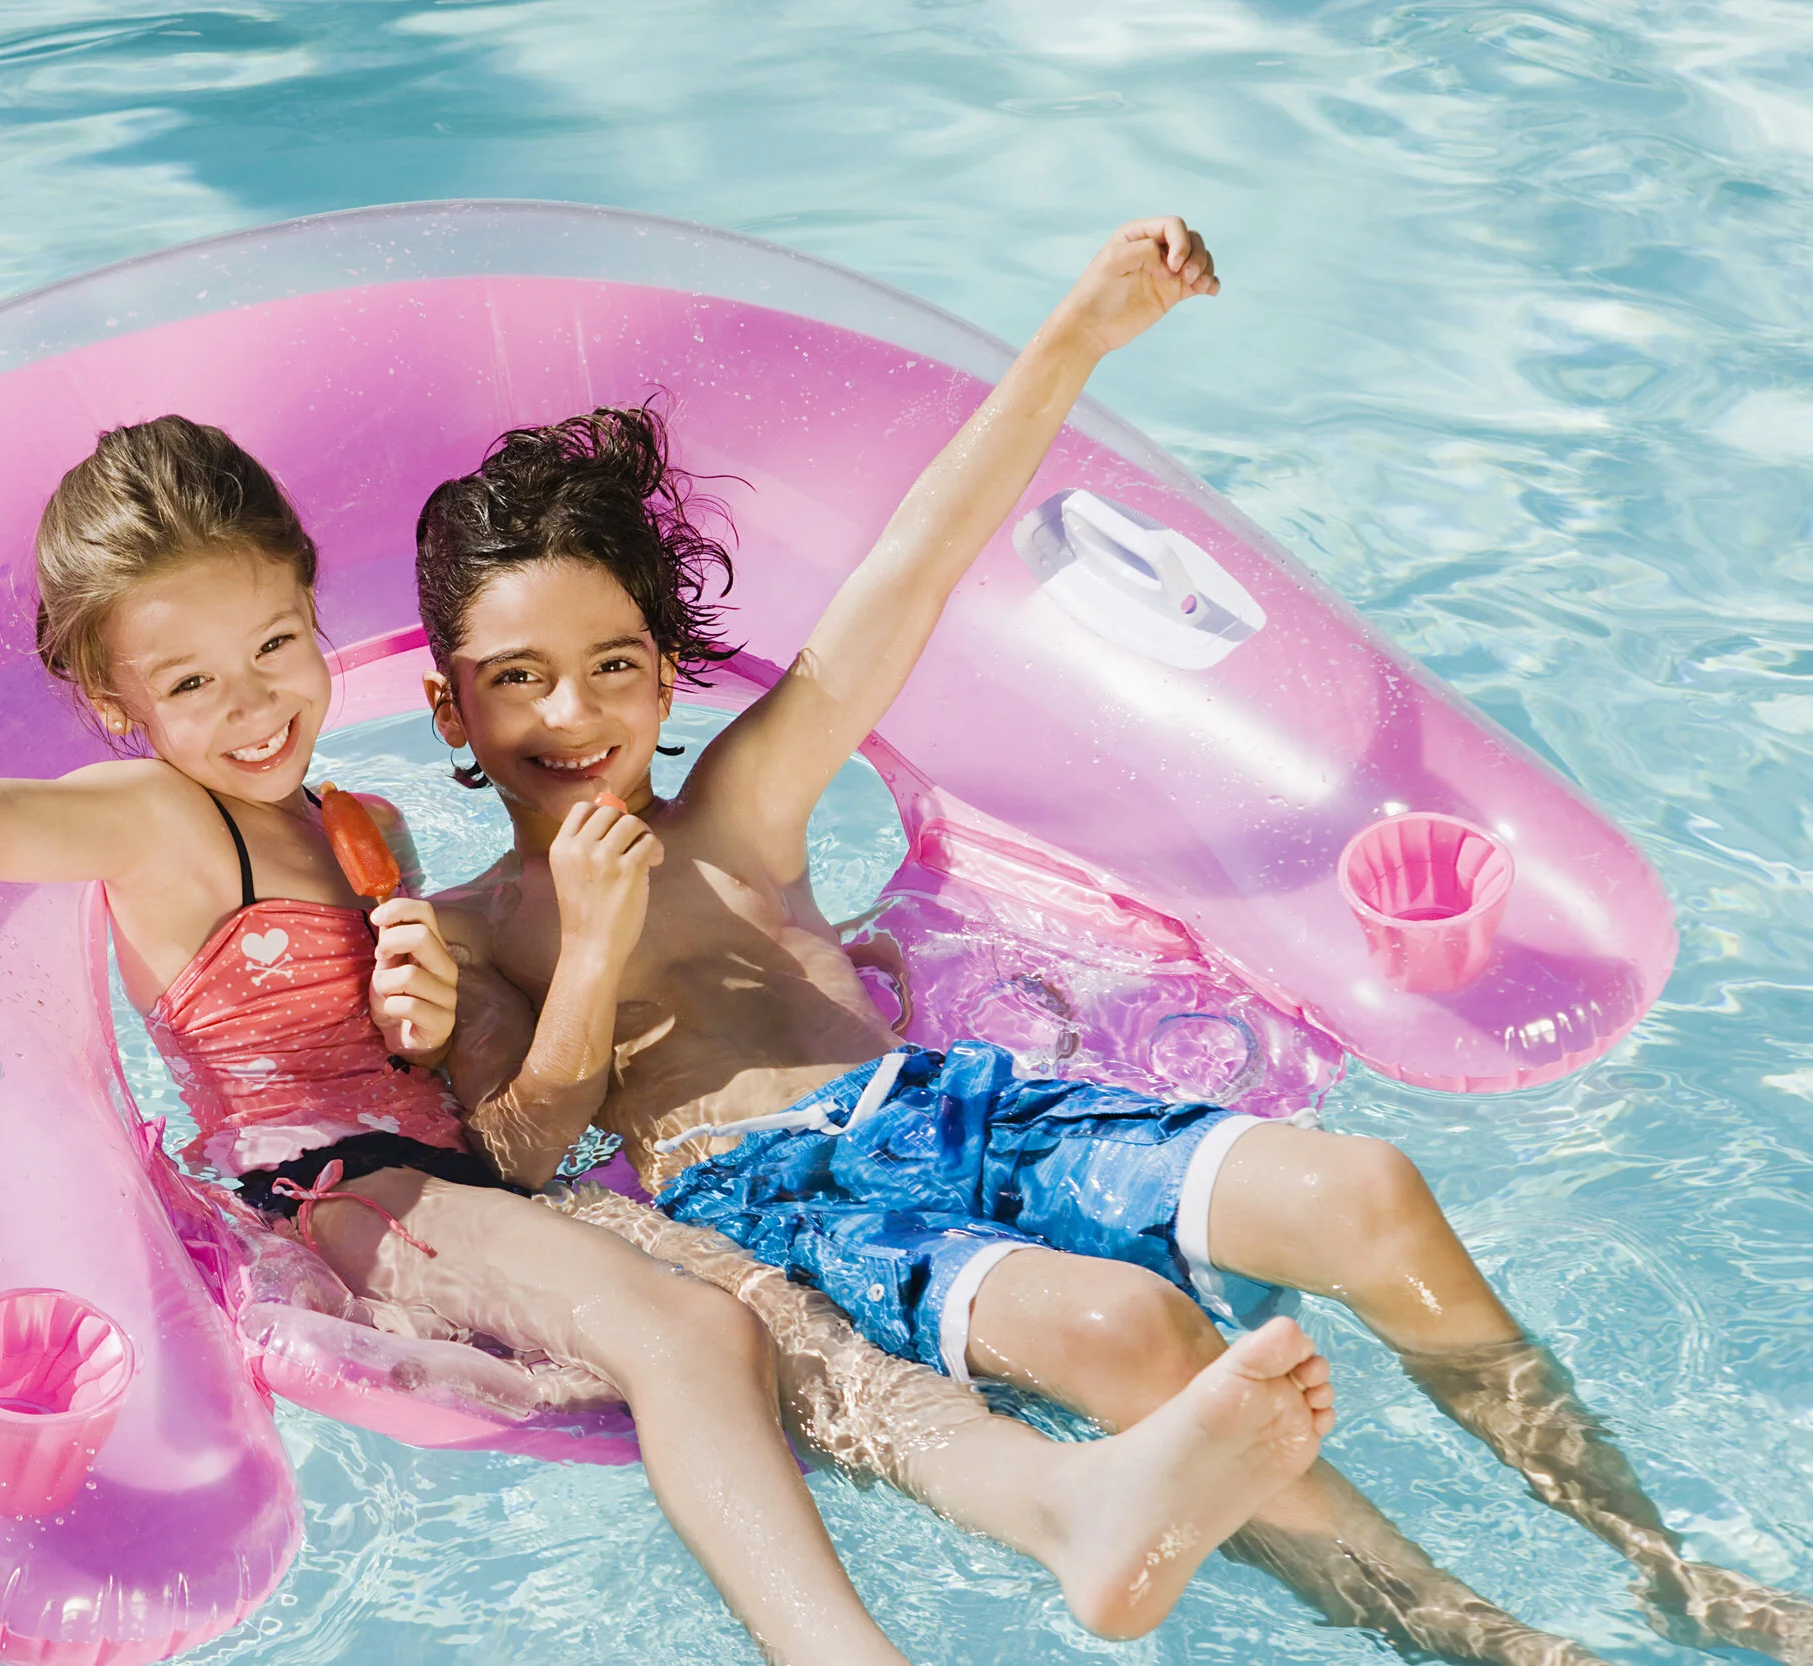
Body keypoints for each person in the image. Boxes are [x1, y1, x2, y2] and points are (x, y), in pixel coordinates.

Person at [0, 414, 1336, 1664]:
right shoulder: (154, 823)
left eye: (276, 646)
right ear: (113, 702)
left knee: (780, 1331)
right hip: (344, 1190)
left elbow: (513, 1115)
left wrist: (453, 1015)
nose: (251, 707)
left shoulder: (366, 839)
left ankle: (1067, 1508)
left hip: (463, 1177)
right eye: (190, 683)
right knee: (691, 1329)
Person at [417, 216, 1813, 1666]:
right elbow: (517, 1155)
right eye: (517, 681)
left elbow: (919, 557)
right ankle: (1495, 1642)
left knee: (1372, 1194)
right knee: (1131, 1328)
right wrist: (586, 949)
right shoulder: (468, 933)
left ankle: (1670, 1571)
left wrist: (1080, 331)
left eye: (610, 668)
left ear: (665, 674)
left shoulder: (739, 807)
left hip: (953, 1105)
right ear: (451, 710)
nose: (570, 716)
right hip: (785, 1197)